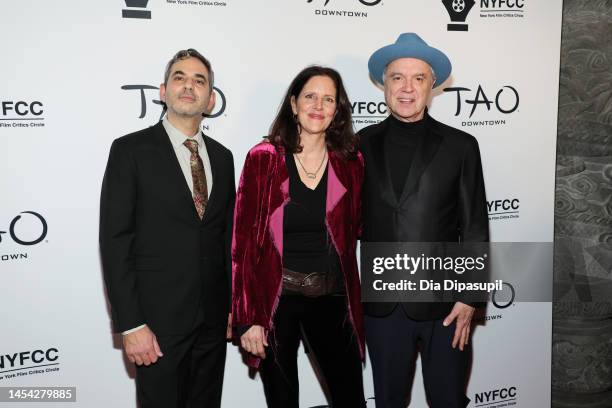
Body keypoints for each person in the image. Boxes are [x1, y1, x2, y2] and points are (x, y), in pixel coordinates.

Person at [359, 33, 489, 408]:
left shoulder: (461, 146)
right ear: (384, 83)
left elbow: (475, 226)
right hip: (382, 307)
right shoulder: (359, 144)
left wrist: (470, 297)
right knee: (388, 401)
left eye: (418, 78)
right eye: (397, 77)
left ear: (433, 85)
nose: (407, 88)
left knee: (448, 400)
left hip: (446, 306)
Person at [100, 48, 235, 408]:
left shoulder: (224, 157)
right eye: (180, 77)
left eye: (199, 80)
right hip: (156, 324)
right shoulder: (130, 151)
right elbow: (115, 242)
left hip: (212, 320)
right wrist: (131, 325)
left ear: (210, 98)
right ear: (163, 91)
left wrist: (234, 305)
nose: (189, 86)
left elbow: (225, 239)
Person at [232, 66, 366, 408]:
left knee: (351, 399)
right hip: (278, 302)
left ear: (337, 110)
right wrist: (248, 318)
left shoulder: (351, 163)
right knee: (282, 401)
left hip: (333, 297)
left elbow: (359, 229)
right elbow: (244, 245)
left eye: (328, 98)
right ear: (293, 104)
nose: (318, 105)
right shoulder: (264, 159)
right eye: (309, 96)